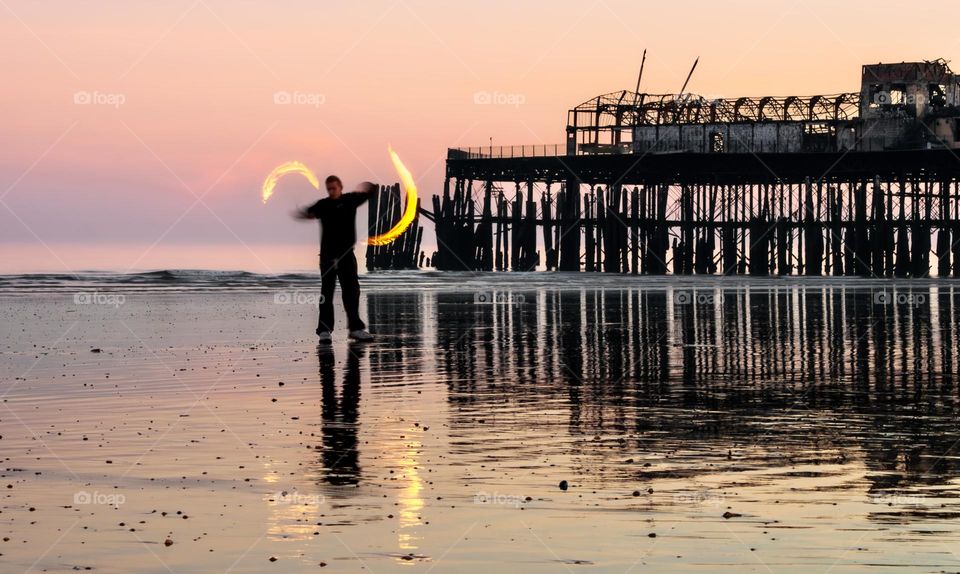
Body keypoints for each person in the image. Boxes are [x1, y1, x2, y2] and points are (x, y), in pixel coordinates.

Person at [294, 175, 375, 342]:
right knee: (326, 293)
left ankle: (356, 329)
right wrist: (303, 214)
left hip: (346, 255)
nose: (331, 191)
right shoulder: (323, 205)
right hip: (327, 257)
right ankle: (324, 331)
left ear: (341, 187)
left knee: (351, 292)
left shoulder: (350, 200)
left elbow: (370, 193)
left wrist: (368, 186)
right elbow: (309, 213)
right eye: (329, 188)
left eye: (334, 188)